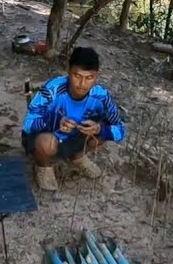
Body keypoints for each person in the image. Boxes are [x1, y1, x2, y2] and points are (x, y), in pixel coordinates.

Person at [22, 47, 125, 192]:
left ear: (96, 77)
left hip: (75, 137)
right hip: (49, 138)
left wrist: (100, 129)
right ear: (69, 71)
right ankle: (43, 166)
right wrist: (55, 122)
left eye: (89, 78)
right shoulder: (52, 90)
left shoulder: (101, 96)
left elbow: (120, 130)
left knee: (104, 131)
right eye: (77, 76)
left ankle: (77, 157)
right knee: (46, 143)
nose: (82, 84)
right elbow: (27, 125)